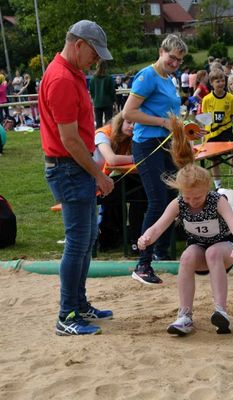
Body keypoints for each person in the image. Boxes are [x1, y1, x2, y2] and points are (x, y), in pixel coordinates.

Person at [38, 20, 115, 335]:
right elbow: (69, 139)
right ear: (79, 44)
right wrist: (99, 174)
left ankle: (79, 304)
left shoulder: (72, 73)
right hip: (69, 168)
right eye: (94, 53)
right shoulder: (61, 79)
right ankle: (67, 314)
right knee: (77, 241)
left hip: (74, 166)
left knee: (86, 239)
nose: (96, 60)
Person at [137, 122, 233, 335]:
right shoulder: (179, 203)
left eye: (197, 197)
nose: (193, 202)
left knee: (213, 252)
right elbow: (158, 227)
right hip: (199, 251)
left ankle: (221, 311)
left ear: (207, 189)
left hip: (224, 249)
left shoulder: (217, 200)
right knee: (187, 256)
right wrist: (146, 238)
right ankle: (184, 315)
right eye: (188, 197)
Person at [122, 34, 188, 285]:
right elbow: (128, 112)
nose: (175, 63)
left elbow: (170, 114)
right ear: (161, 51)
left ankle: (162, 252)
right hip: (148, 145)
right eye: (172, 57)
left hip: (167, 144)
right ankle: (143, 262)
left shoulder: (169, 79)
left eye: (179, 60)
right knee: (158, 201)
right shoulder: (147, 76)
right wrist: (162, 122)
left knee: (172, 199)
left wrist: (184, 128)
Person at [93, 112, 147, 252]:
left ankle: (135, 238)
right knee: (138, 190)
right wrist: (137, 158)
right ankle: (135, 239)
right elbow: (112, 160)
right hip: (92, 187)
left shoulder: (129, 139)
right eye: (129, 122)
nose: (132, 127)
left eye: (136, 124)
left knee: (138, 188)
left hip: (106, 183)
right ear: (120, 122)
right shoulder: (102, 134)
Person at [202, 68, 233, 191]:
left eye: (222, 81)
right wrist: (205, 135)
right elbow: (205, 119)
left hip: (226, 132)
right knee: (215, 160)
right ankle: (218, 186)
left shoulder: (230, 98)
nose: (220, 83)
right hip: (212, 134)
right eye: (217, 81)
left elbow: (232, 116)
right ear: (211, 83)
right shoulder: (206, 99)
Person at [90, 60, 115, 128]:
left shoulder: (93, 79)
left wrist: (94, 99)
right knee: (108, 123)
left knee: (98, 123)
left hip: (97, 103)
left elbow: (91, 91)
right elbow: (112, 91)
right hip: (108, 103)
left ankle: (99, 134)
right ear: (106, 67)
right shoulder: (109, 78)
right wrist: (114, 101)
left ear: (97, 66)